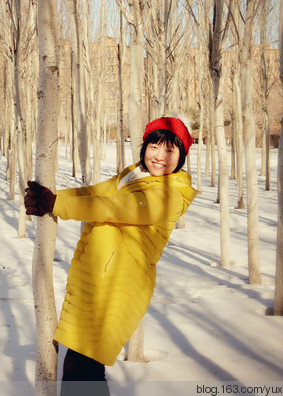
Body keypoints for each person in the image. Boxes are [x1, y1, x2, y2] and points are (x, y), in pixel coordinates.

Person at [24, 117, 198, 396]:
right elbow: (95, 193)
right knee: (78, 371)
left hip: (119, 289)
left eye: (170, 151)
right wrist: (53, 199)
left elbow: (117, 207)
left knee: (84, 371)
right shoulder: (133, 175)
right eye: (155, 146)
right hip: (96, 282)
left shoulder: (170, 195)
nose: (160, 156)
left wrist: (56, 204)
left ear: (182, 156)